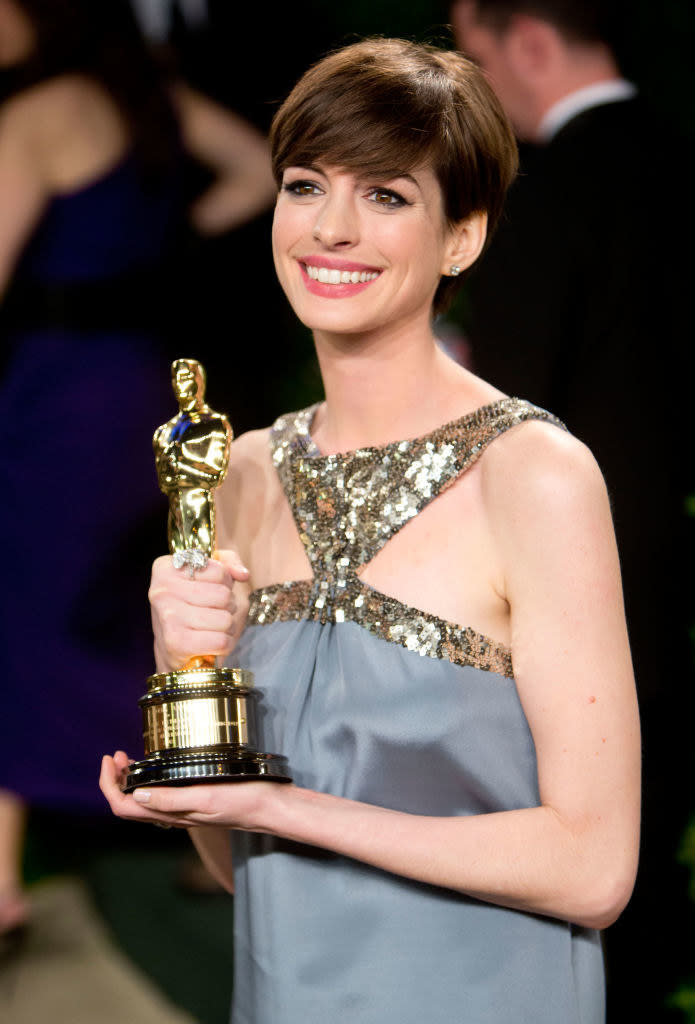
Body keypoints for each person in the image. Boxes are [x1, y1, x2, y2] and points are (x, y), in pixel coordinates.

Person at [101, 38, 640, 1023]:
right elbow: (239, 866)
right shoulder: (244, 473)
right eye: (305, 186)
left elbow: (592, 866)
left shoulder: (533, 476)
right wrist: (180, 666)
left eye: (386, 196)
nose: (330, 229)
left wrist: (279, 804)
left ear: (461, 238)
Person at [0, 0, 275, 942]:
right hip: (143, 385)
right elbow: (260, 171)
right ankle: (202, 801)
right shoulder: (148, 91)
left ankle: (4, 875)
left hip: (53, 396)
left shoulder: (35, 115)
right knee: (107, 612)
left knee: (28, 613)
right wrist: (165, 244)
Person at [449, 1, 694, 1013]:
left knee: (568, 844)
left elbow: (498, 405)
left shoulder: (544, 195)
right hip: (669, 557)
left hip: (564, 573)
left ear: (532, 43)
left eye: (475, 58)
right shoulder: (679, 159)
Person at [154, 358, 232, 558]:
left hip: (198, 511)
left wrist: (179, 466)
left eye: (187, 377)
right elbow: (164, 481)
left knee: (201, 566)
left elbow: (214, 475)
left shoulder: (214, 425)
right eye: (176, 379)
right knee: (178, 571)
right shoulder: (163, 432)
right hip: (176, 517)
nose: (180, 383)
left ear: (199, 381)